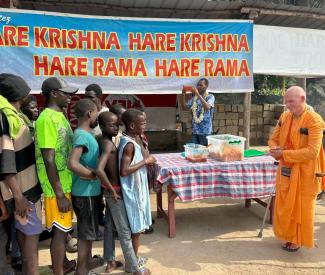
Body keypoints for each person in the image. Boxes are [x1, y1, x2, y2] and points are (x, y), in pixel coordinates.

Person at [268, 86, 325, 252]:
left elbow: (312, 152)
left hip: (306, 173)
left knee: (302, 209)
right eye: (286, 101)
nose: (287, 105)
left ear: (302, 98)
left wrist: (284, 154)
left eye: (290, 101)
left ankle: (298, 239)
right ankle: (288, 235)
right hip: (286, 170)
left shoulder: (314, 120)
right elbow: (273, 139)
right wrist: (274, 150)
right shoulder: (285, 116)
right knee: (286, 205)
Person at [0, 73, 43, 274]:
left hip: (21, 191)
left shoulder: (12, 115)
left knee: (25, 239)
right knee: (31, 244)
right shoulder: (6, 117)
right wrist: (18, 197)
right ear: (18, 93)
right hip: (24, 193)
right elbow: (7, 161)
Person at [97, 111, 149, 275]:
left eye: (117, 124)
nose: (116, 128)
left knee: (110, 227)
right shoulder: (108, 144)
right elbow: (100, 169)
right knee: (126, 233)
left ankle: (110, 261)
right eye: (112, 125)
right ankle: (133, 268)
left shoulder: (113, 142)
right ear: (102, 126)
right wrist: (112, 191)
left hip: (115, 192)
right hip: (115, 193)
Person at [35, 77, 78, 274]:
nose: (69, 97)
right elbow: (48, 158)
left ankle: (64, 263)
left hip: (65, 182)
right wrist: (59, 193)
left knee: (65, 228)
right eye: (65, 93)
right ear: (54, 93)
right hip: (56, 187)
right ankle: (58, 271)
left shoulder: (59, 115)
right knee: (60, 233)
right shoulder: (46, 120)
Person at [68, 99, 104, 274]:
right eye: (97, 112)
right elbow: (73, 163)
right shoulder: (82, 135)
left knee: (89, 233)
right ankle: (81, 270)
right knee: (85, 235)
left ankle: (87, 263)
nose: (97, 115)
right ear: (90, 114)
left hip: (88, 192)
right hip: (85, 193)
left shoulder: (85, 134)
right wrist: (92, 175)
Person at [119, 109, 156, 267]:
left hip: (139, 188)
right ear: (132, 125)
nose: (145, 125)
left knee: (138, 228)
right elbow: (124, 171)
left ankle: (133, 258)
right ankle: (132, 263)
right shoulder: (128, 145)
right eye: (143, 123)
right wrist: (145, 162)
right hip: (133, 191)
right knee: (136, 229)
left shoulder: (136, 138)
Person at [181, 78, 215, 146]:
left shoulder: (210, 96)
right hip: (195, 131)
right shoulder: (194, 98)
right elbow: (184, 107)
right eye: (197, 85)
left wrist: (197, 94)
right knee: (195, 153)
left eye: (200, 85)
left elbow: (207, 107)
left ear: (206, 86)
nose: (198, 87)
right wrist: (183, 94)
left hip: (205, 132)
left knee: (204, 153)